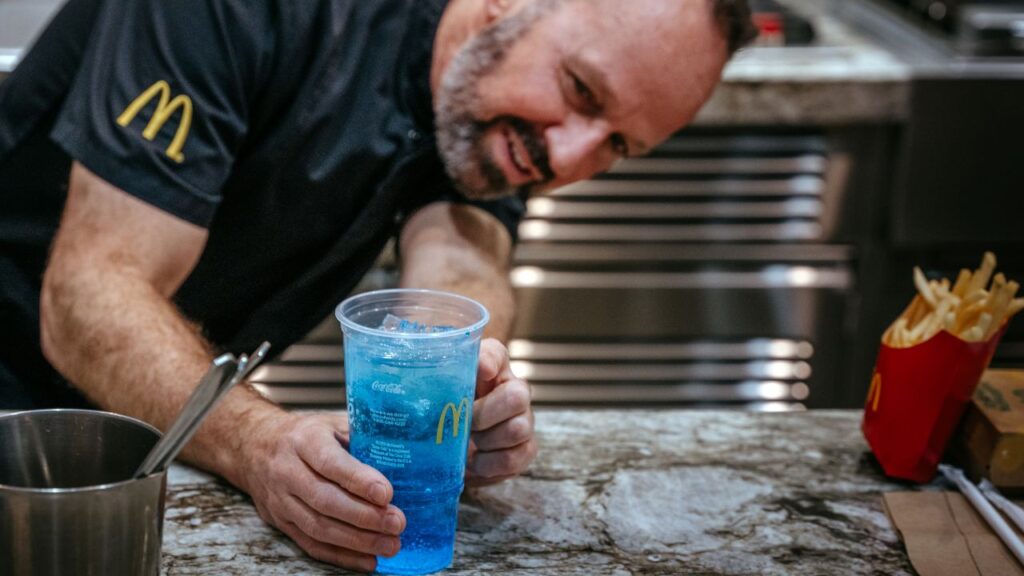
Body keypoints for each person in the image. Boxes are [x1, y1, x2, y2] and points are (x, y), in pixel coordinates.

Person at [0, 0, 755, 570]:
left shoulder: (485, 98)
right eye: (581, 90)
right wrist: (257, 441)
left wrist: (466, 377)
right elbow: (88, 294)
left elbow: (464, 250)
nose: (569, 156)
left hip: (145, 454)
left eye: (618, 144)